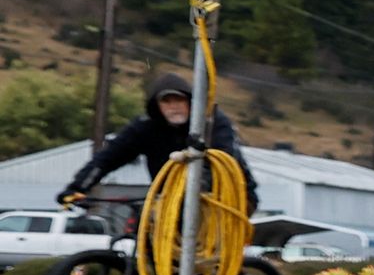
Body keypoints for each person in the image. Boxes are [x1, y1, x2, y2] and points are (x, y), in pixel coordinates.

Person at [60, 75, 258, 214]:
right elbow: (106, 159)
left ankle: (229, 273)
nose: (174, 106)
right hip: (170, 199)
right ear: (157, 106)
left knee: (199, 238)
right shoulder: (145, 128)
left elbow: (224, 159)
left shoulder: (212, 121)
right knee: (147, 231)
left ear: (190, 102)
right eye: (167, 101)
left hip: (229, 197)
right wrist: (78, 188)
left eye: (179, 100)